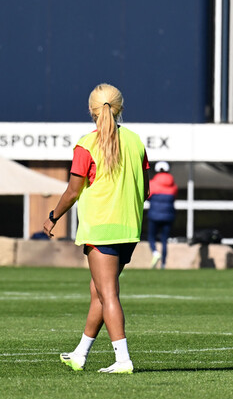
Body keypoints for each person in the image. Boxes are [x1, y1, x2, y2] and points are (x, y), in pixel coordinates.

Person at [44, 83, 149, 374]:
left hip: (101, 228)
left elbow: (72, 191)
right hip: (129, 228)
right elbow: (147, 188)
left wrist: (53, 216)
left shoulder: (86, 144)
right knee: (99, 292)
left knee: (108, 294)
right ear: (119, 108)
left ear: (92, 110)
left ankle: (123, 359)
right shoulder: (136, 141)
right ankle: (80, 353)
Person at [148, 161, 177, 269]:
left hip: (154, 215)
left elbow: (148, 196)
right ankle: (163, 264)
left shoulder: (152, 183)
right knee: (164, 240)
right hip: (168, 216)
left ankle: (155, 252)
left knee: (151, 237)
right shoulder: (173, 185)